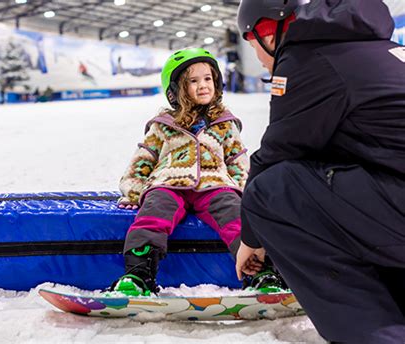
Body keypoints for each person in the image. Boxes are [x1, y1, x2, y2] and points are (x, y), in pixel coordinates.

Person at [235, 0, 405, 343]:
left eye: (254, 44)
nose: (258, 57)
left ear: (271, 30)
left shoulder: (308, 59)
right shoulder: (385, 50)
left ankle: (378, 333)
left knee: (269, 192)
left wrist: (250, 238)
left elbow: (276, 154)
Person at [110, 47, 269, 297]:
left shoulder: (225, 124)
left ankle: (260, 274)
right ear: (175, 92)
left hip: (215, 186)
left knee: (237, 219)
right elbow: (142, 160)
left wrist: (244, 192)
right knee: (153, 215)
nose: (203, 85)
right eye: (193, 81)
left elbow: (239, 162)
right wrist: (134, 192)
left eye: (208, 79)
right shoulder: (164, 126)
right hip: (169, 184)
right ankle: (138, 275)